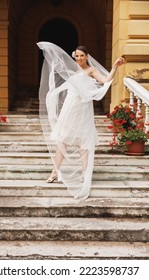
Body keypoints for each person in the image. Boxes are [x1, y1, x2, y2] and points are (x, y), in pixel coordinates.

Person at [37, 42, 125, 200]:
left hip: (83, 110)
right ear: (74, 56)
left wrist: (114, 67)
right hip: (69, 109)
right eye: (76, 56)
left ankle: (85, 174)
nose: (79, 58)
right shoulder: (71, 71)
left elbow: (105, 81)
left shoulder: (91, 70)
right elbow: (61, 78)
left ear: (87, 57)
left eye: (82, 56)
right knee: (62, 141)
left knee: (84, 143)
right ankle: (55, 172)